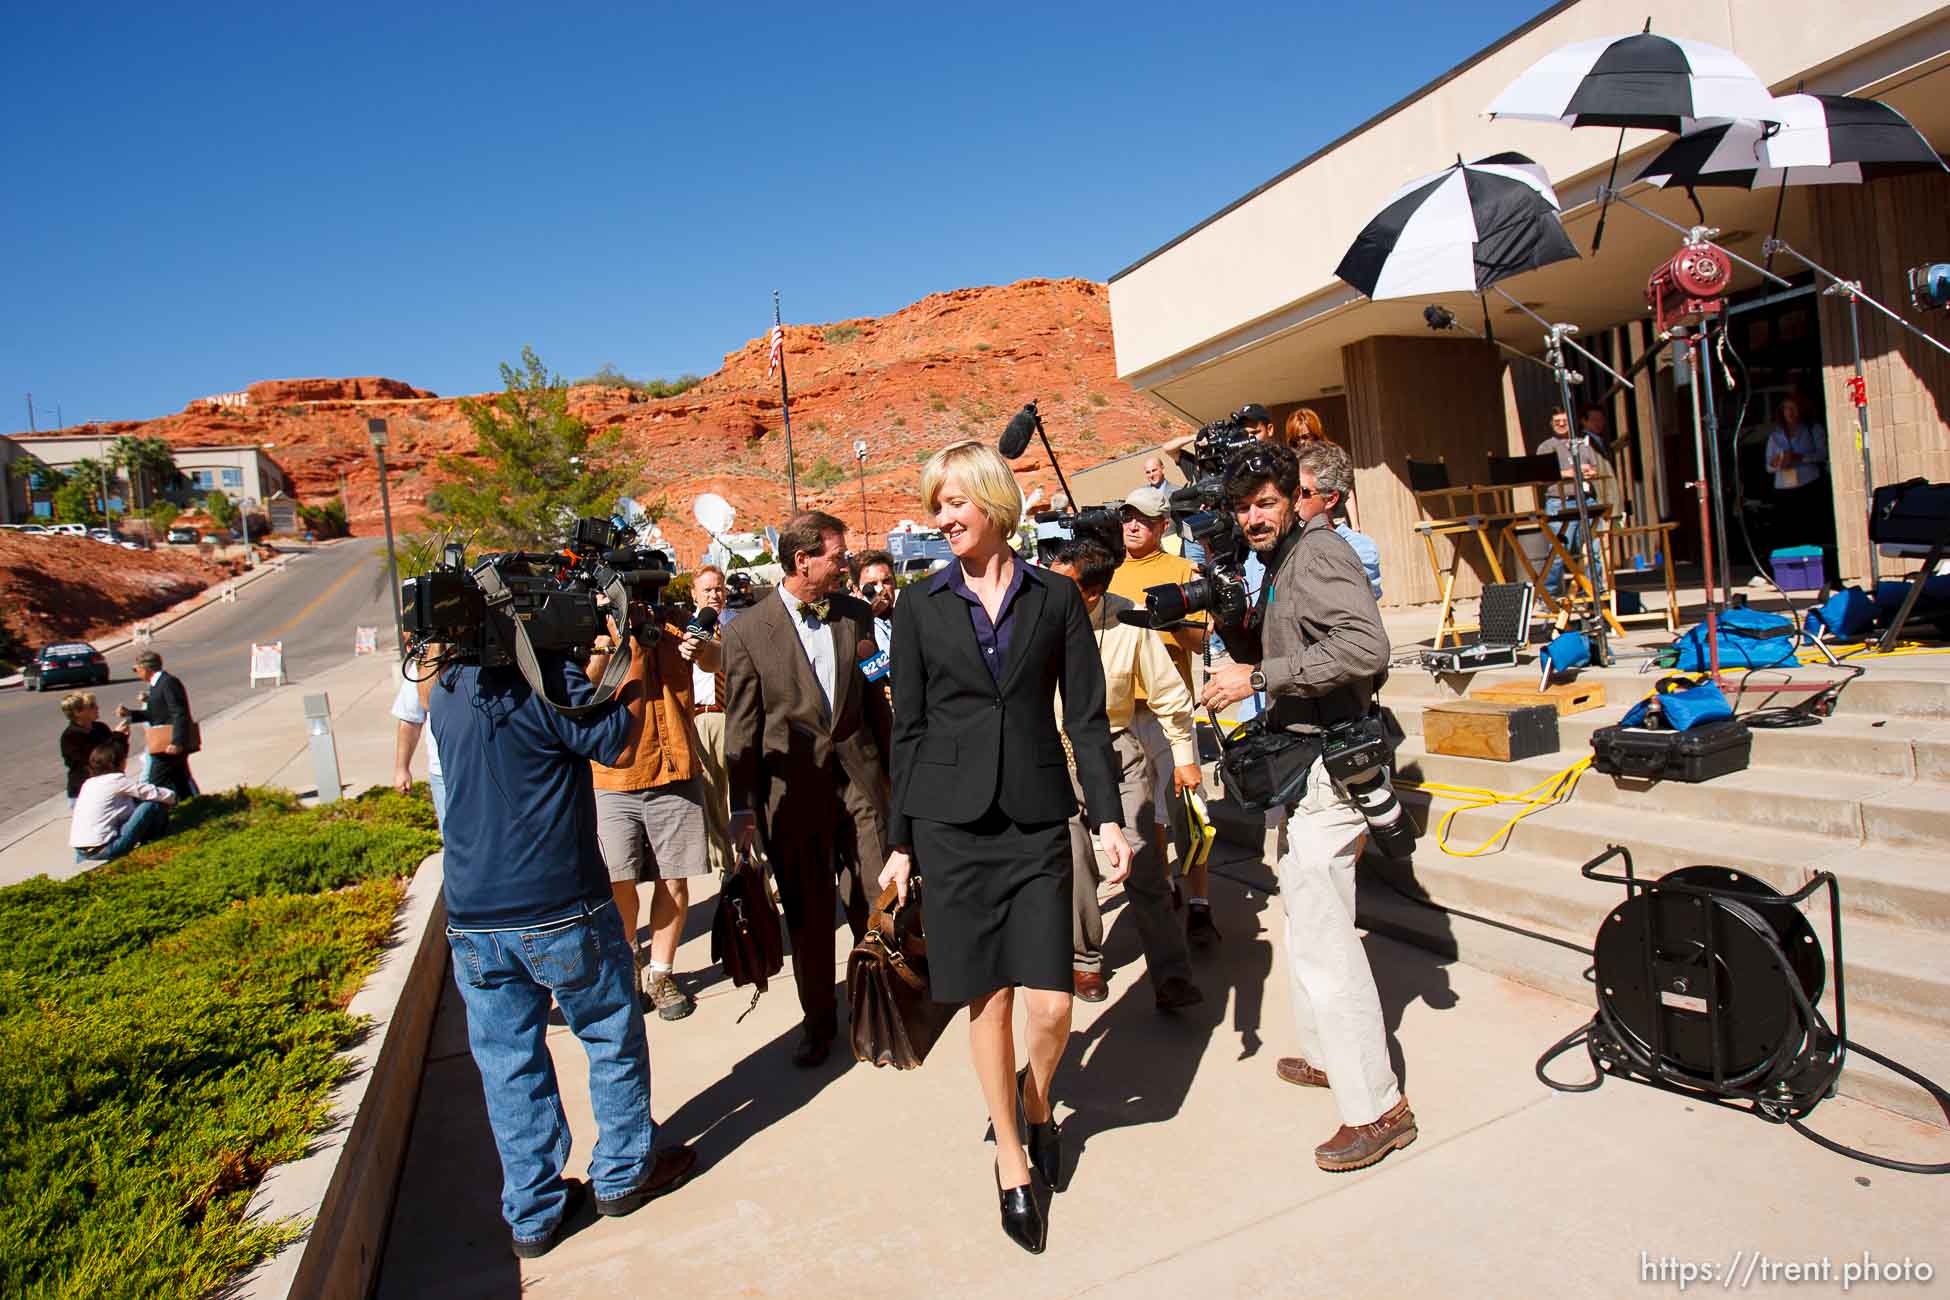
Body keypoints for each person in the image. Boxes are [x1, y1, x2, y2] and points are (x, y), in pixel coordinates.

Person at [878, 441, 1129, 1255]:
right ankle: (1013, 1160)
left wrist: (1108, 817)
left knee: (1052, 1005)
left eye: (954, 502)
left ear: (992, 501)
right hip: (951, 828)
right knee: (988, 998)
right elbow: (907, 731)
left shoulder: (1056, 598)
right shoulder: (917, 605)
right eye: (935, 505)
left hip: (1031, 819)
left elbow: (1085, 718)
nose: (941, 518)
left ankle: (1035, 1097)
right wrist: (900, 843)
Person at [428, 642, 694, 1258]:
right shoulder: (546, 675)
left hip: (472, 913)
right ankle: (624, 1173)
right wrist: (624, 665)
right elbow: (617, 745)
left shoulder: (446, 684)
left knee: (508, 1064)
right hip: (560, 901)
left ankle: (533, 1212)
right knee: (609, 1034)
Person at [1198, 439, 1415, 1173]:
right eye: (1241, 506)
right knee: (1307, 923)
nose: (1251, 517)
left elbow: (1365, 648)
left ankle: (1377, 1108)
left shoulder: (1318, 553)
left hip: (1333, 767)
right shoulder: (1285, 558)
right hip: (1308, 771)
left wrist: (1260, 677)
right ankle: (1332, 1059)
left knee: (1326, 939)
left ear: (1296, 496)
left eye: (1263, 502)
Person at [723, 510, 892, 1067]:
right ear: (803, 561)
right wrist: (742, 808)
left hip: (861, 783)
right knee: (809, 914)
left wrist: (895, 773)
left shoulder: (854, 613)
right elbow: (742, 728)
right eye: (837, 556)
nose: (846, 565)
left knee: (876, 898)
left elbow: (872, 701)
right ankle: (819, 1021)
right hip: (790, 796)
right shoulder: (747, 631)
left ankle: (884, 1010)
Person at [1046, 537, 1202, 1010]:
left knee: (1143, 859)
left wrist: (1184, 755)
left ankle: (1172, 976)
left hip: (1117, 750)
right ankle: (1084, 961)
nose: (1048, 590)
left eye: (1062, 584)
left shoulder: (1129, 620)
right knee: (1074, 863)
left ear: (1091, 593)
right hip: (1053, 754)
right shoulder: (1034, 618)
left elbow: (1168, 692)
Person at [585, 599, 715, 1023]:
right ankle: (629, 964)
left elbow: (718, 662)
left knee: (673, 877)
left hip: (676, 766)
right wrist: (616, 643)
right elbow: (587, 684)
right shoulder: (596, 627)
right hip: (614, 776)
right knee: (617, 880)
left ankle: (661, 974)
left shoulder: (678, 621)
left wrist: (701, 647)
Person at [1106, 485, 1215, 947]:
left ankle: (1200, 903)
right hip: (1122, 713)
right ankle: (1164, 887)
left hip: (1170, 713)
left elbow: (1201, 640)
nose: (1132, 526)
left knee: (1188, 809)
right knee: (1145, 811)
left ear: (1162, 526)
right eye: (1127, 517)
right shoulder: (1106, 575)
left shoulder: (1184, 571)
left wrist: (1168, 618)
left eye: (1143, 520)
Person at [686, 565, 735, 877]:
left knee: (738, 795)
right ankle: (725, 864)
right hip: (700, 718)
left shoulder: (738, 625)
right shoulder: (683, 629)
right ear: (694, 594)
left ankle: (753, 861)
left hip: (731, 716)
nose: (714, 595)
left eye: (718, 589)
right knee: (711, 794)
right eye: (707, 590)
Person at [1536, 406, 1611, 599]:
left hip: (1586, 500)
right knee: (1558, 552)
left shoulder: (1582, 444)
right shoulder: (1546, 446)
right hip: (1559, 501)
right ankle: (1551, 595)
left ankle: (1595, 590)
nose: (1561, 424)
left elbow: (1594, 468)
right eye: (1557, 421)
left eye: (1564, 421)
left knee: (1593, 549)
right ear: (1551, 424)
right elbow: (1541, 474)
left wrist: (1590, 471)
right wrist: (1567, 473)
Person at [69, 741, 174, 863]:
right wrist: (173, 797)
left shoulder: (88, 784)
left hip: (81, 851)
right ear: (119, 763)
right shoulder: (116, 780)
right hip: (107, 848)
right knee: (152, 803)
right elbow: (150, 792)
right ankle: (156, 838)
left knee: (139, 804)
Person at [117, 650, 196, 802]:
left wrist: (177, 742)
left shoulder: (168, 683)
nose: (136, 673)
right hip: (164, 742)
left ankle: (152, 817)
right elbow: (154, 714)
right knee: (179, 781)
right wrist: (130, 714)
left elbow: (179, 712)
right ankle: (192, 809)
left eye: (136, 669)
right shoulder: (156, 685)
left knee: (155, 782)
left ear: (145, 668)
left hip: (168, 743)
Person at [1766, 395, 1833, 551]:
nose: (1789, 413)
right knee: (1788, 530)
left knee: (1809, 527)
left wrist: (1800, 457)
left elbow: (1823, 454)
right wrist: (1778, 462)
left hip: (1808, 484)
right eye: (1786, 409)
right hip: (1784, 487)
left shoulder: (1812, 429)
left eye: (1793, 408)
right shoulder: (1775, 436)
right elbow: (1768, 466)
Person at [390, 662, 447, 829]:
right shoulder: (426, 663)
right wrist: (402, 768)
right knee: (455, 845)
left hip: (495, 770)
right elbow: (410, 719)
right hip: (444, 775)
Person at [60, 691, 127, 808]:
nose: (97, 708)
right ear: (78, 712)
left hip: (109, 786)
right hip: (84, 792)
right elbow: (96, 761)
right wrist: (116, 736)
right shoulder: (70, 737)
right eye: (91, 706)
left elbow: (117, 755)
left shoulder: (100, 728)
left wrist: (122, 738)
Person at [852, 548, 898, 657]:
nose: (881, 589)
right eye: (872, 584)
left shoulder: (908, 618)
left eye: (886, 581)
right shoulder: (853, 630)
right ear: (857, 589)